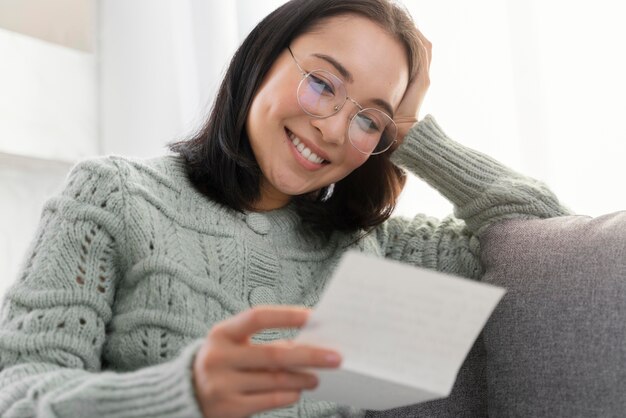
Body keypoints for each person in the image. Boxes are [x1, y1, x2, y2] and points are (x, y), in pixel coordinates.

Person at [0, 0, 569, 417]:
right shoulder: (114, 196)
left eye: (369, 119)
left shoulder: (367, 244)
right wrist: (185, 393)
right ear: (263, 59)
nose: (333, 129)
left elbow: (543, 229)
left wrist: (413, 131)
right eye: (322, 83)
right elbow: (18, 391)